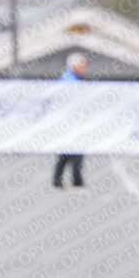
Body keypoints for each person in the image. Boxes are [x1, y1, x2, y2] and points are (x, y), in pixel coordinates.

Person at [52, 53, 87, 189]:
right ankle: (74, 180)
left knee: (67, 151)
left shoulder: (72, 78)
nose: (84, 68)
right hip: (69, 121)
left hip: (73, 121)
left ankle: (62, 179)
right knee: (72, 150)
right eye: (81, 65)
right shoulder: (69, 80)